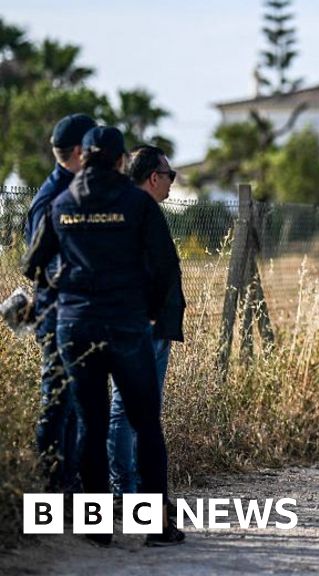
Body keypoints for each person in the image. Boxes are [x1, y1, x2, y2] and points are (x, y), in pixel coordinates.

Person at [22, 126, 185, 547]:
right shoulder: (137, 204)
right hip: (127, 326)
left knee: (92, 424)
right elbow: (167, 267)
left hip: (75, 328)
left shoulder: (62, 203)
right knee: (145, 423)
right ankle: (154, 525)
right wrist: (149, 313)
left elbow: (32, 263)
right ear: (118, 162)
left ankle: (97, 529)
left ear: (85, 157)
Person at [24, 113, 96, 494]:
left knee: (71, 406)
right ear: (81, 151)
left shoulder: (76, 190)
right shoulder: (52, 199)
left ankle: (69, 486)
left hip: (73, 314)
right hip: (58, 315)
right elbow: (42, 266)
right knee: (57, 404)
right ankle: (53, 490)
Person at [108, 145, 185, 496]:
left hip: (145, 325)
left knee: (138, 410)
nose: (172, 182)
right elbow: (160, 268)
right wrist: (153, 315)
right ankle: (125, 487)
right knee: (127, 409)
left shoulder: (123, 207)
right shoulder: (138, 211)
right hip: (142, 326)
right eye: (170, 175)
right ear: (154, 177)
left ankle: (131, 484)